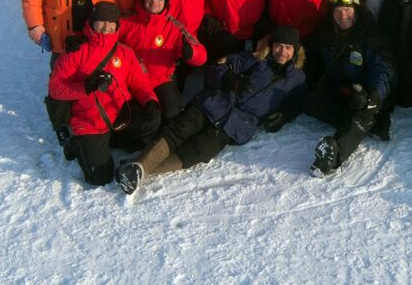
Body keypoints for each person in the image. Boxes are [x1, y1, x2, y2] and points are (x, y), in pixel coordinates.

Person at [116, 27, 306, 195]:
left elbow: (297, 102)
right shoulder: (253, 59)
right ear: (271, 46)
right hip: (213, 103)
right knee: (179, 129)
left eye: (288, 48)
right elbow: (216, 68)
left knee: (198, 151)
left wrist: (283, 116)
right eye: (279, 46)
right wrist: (231, 80)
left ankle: (138, 168)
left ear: (295, 51)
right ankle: (140, 166)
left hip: (237, 125)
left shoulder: (297, 78)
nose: (282, 52)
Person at [48, 2, 161, 185]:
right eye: (101, 22)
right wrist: (85, 87)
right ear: (92, 23)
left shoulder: (124, 52)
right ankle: (77, 143)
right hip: (89, 120)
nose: (106, 28)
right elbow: (55, 88)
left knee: (151, 122)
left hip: (119, 113)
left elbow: (139, 83)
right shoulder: (76, 51)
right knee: (100, 177)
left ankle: (111, 138)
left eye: (111, 23)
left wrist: (150, 101)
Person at [306, 0, 396, 176]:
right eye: (338, 11)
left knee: (360, 114)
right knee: (311, 102)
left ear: (356, 11)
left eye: (347, 10)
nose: (343, 16)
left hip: (367, 93)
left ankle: (334, 153)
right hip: (341, 90)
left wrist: (372, 96)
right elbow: (311, 60)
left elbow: (383, 69)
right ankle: (376, 124)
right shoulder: (325, 33)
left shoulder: (371, 35)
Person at [118, 0, 208, 119]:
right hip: (132, 82)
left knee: (171, 113)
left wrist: (191, 52)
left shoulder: (174, 27)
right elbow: (104, 39)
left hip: (160, 81)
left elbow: (201, 55)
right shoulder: (127, 23)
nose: (154, 1)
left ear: (166, 0)